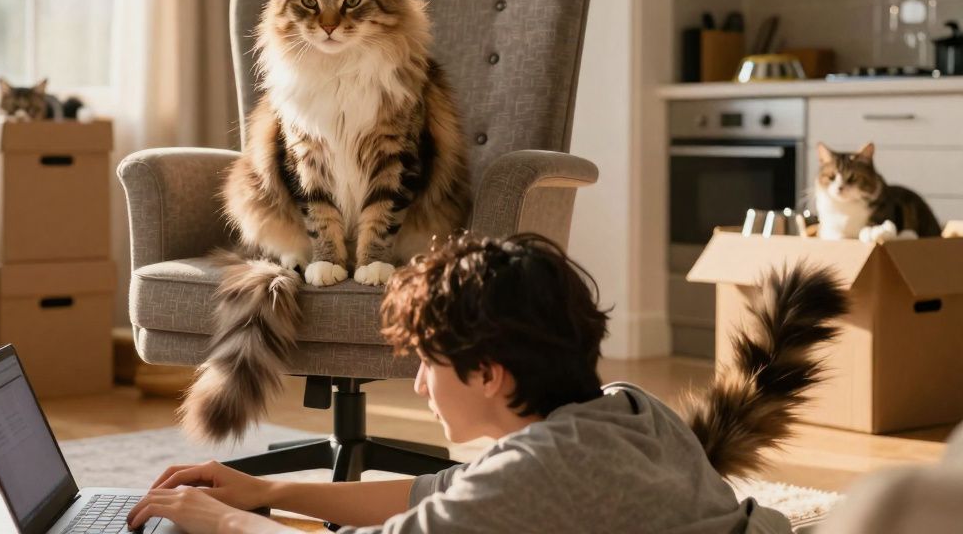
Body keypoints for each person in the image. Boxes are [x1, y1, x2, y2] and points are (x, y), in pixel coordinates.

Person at [127, 232, 843, 533]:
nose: (417, 390)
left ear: (490, 375)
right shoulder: (626, 408)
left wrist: (218, 520)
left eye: (427, 367)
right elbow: (436, 496)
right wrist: (267, 492)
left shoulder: (535, 472)